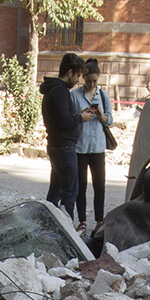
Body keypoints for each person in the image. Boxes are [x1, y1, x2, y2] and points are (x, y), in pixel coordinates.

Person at [41, 52, 95, 218]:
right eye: (78, 75)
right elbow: (64, 121)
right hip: (64, 146)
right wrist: (81, 117)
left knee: (55, 191)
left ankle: (47, 225)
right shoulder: (60, 91)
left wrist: (78, 115)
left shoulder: (53, 90)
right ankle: (65, 226)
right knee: (70, 190)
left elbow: (61, 118)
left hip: (57, 145)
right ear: (70, 73)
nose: (78, 80)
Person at [71, 59, 113, 235]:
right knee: (80, 186)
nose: (92, 84)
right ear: (84, 78)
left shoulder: (103, 95)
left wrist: (100, 115)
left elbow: (110, 120)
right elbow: (70, 117)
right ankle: (82, 220)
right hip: (80, 147)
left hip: (97, 147)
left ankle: (99, 220)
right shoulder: (75, 95)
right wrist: (82, 113)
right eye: (89, 81)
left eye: (95, 81)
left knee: (99, 186)